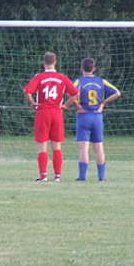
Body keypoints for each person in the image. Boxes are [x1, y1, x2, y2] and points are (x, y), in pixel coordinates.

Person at [23, 52, 78, 182]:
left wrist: (32, 103)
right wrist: (66, 105)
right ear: (55, 62)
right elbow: (75, 94)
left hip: (43, 111)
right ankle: (57, 176)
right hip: (57, 112)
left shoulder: (40, 77)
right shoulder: (62, 77)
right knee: (56, 146)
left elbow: (27, 91)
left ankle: (43, 176)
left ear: (43, 63)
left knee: (42, 145)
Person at [73, 58, 121, 181]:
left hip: (84, 115)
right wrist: (103, 103)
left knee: (84, 147)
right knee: (99, 147)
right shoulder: (101, 81)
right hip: (97, 116)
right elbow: (117, 93)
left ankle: (82, 177)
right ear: (94, 69)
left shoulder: (79, 81)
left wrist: (77, 105)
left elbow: (70, 93)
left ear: (81, 68)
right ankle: (101, 177)